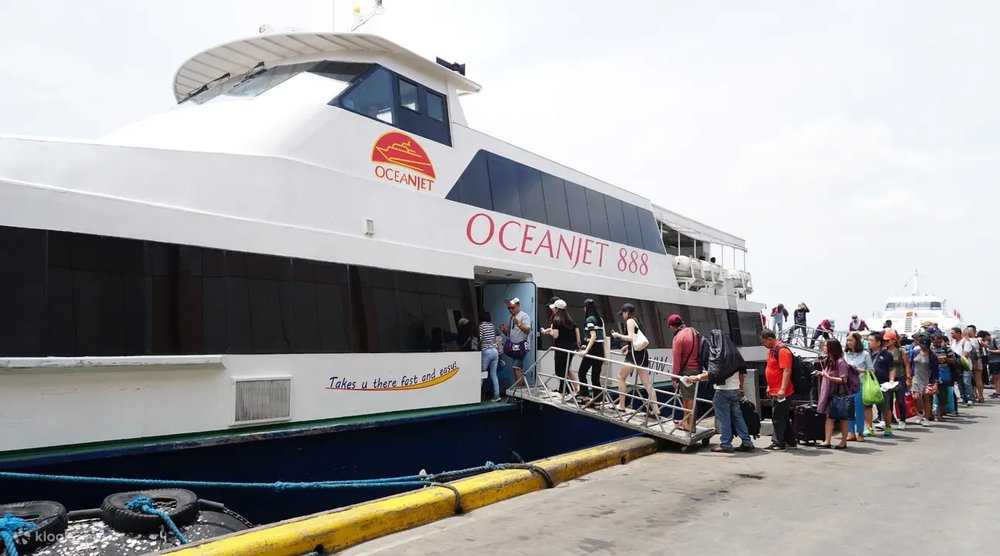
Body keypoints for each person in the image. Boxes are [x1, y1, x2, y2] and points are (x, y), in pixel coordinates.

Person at [689, 330, 755, 453]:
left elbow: (714, 373)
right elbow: (742, 372)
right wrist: (741, 388)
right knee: (738, 417)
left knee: (724, 418)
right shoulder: (735, 353)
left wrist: (697, 377)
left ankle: (726, 444)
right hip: (735, 390)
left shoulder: (719, 355)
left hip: (722, 391)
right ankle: (747, 442)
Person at [610, 303, 658, 417]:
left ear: (627, 312)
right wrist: (627, 346)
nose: (623, 316)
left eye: (623, 313)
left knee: (621, 377)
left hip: (634, 356)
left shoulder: (629, 321)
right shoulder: (637, 320)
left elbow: (631, 337)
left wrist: (618, 335)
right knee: (647, 383)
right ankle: (656, 409)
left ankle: (621, 405)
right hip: (642, 354)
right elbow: (638, 338)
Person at [760, 329, 796, 450]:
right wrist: (769, 386)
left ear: (769, 339)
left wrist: (782, 389)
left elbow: (787, 370)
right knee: (783, 416)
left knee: (777, 417)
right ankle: (791, 440)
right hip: (775, 389)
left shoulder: (782, 351)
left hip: (782, 391)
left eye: (764, 342)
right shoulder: (772, 351)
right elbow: (771, 368)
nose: (763, 345)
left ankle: (778, 442)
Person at [816, 338, 853, 449]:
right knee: (829, 416)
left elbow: (844, 380)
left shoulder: (840, 362)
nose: (824, 348)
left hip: (839, 394)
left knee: (843, 418)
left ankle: (843, 441)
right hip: (829, 393)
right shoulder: (829, 360)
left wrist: (828, 377)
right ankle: (827, 441)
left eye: (826, 346)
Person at [667, 314, 702, 431]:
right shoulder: (693, 331)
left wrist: (674, 378)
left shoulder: (678, 338)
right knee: (690, 397)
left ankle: (690, 425)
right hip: (697, 369)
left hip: (686, 371)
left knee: (688, 399)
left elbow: (676, 360)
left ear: (672, 327)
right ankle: (686, 422)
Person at [541, 299, 579, 397]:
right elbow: (576, 328)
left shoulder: (556, 320)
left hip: (561, 348)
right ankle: (565, 389)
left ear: (557, 309)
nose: (553, 310)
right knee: (565, 369)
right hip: (570, 348)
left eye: (555, 308)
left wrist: (551, 331)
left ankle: (566, 389)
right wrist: (578, 341)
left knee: (559, 370)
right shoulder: (568, 319)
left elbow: (555, 335)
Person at [576, 298, 606, 405]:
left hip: (592, 350)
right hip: (600, 350)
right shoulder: (600, 319)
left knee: (582, 372)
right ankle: (599, 401)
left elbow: (593, 336)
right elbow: (600, 336)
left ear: (586, 308)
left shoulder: (589, 320)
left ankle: (585, 396)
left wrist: (586, 350)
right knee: (595, 377)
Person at [844, 332, 872, 441]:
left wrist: (860, 370)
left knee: (859, 409)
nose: (848, 342)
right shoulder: (846, 354)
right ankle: (851, 432)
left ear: (857, 341)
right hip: (848, 385)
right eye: (847, 340)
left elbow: (871, 369)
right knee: (849, 409)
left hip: (860, 383)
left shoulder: (865, 354)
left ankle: (860, 432)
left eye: (850, 340)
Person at [868, 331, 896, 437]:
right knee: (867, 405)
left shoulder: (887, 354)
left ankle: (888, 426)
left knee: (885, 407)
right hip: (869, 383)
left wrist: (891, 380)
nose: (869, 342)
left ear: (878, 342)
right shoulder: (867, 353)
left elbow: (892, 368)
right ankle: (869, 428)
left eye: (871, 340)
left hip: (882, 384)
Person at [500, 298, 532, 386]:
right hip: (514, 346)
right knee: (517, 368)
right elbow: (511, 333)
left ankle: (520, 390)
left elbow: (527, 330)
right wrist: (504, 330)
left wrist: (518, 323)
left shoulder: (524, 316)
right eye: (509, 308)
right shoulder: (512, 317)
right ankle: (523, 389)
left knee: (516, 367)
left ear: (518, 306)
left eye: (512, 308)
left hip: (521, 345)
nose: (510, 310)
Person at [909, 335, 940, 423]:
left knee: (927, 399)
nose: (924, 348)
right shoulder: (915, 352)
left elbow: (936, 371)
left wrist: (936, 382)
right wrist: (909, 376)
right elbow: (910, 363)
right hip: (916, 377)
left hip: (927, 378)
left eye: (926, 347)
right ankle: (919, 412)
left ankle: (926, 418)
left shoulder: (933, 356)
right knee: (916, 397)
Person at [884, 330, 909, 430]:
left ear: (893, 340)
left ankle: (902, 420)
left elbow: (907, 364)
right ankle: (889, 419)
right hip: (887, 378)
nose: (885, 342)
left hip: (900, 376)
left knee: (900, 400)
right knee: (888, 400)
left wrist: (908, 377)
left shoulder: (901, 351)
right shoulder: (884, 351)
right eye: (884, 340)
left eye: (887, 340)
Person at [929, 334, 956, 421]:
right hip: (931, 374)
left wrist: (946, 359)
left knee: (943, 395)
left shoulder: (946, 348)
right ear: (932, 341)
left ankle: (940, 415)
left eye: (940, 342)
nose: (938, 344)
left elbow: (953, 361)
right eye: (936, 342)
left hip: (943, 373)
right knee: (929, 395)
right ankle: (930, 414)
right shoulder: (929, 348)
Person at [949, 326, 974, 407]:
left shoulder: (966, 342)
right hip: (956, 366)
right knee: (959, 382)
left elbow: (966, 354)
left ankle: (969, 398)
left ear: (959, 333)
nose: (951, 335)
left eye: (953, 333)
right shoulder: (953, 342)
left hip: (965, 365)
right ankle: (963, 397)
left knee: (966, 382)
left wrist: (956, 358)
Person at [478, 312, 500, 402]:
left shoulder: (481, 326)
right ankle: (496, 395)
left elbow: (479, 338)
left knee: (482, 373)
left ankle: (476, 395)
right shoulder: (492, 325)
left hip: (486, 351)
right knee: (493, 374)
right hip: (495, 351)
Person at [983, 331, 1000, 397]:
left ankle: (998, 392)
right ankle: (997, 391)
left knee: (997, 378)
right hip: (991, 361)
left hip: (996, 361)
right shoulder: (987, 342)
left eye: (984, 337)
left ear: (987, 336)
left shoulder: (995, 340)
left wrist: (989, 351)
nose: (984, 339)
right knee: (994, 378)